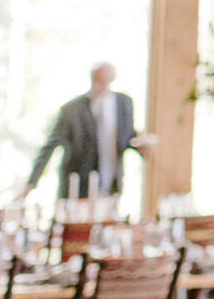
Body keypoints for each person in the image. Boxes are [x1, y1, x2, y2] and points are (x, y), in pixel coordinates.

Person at [19, 62, 157, 201]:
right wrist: (30, 185)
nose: (101, 85)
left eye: (105, 80)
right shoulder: (71, 109)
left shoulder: (124, 103)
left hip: (111, 187)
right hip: (78, 190)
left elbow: (126, 138)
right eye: (98, 80)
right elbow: (49, 147)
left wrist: (141, 147)